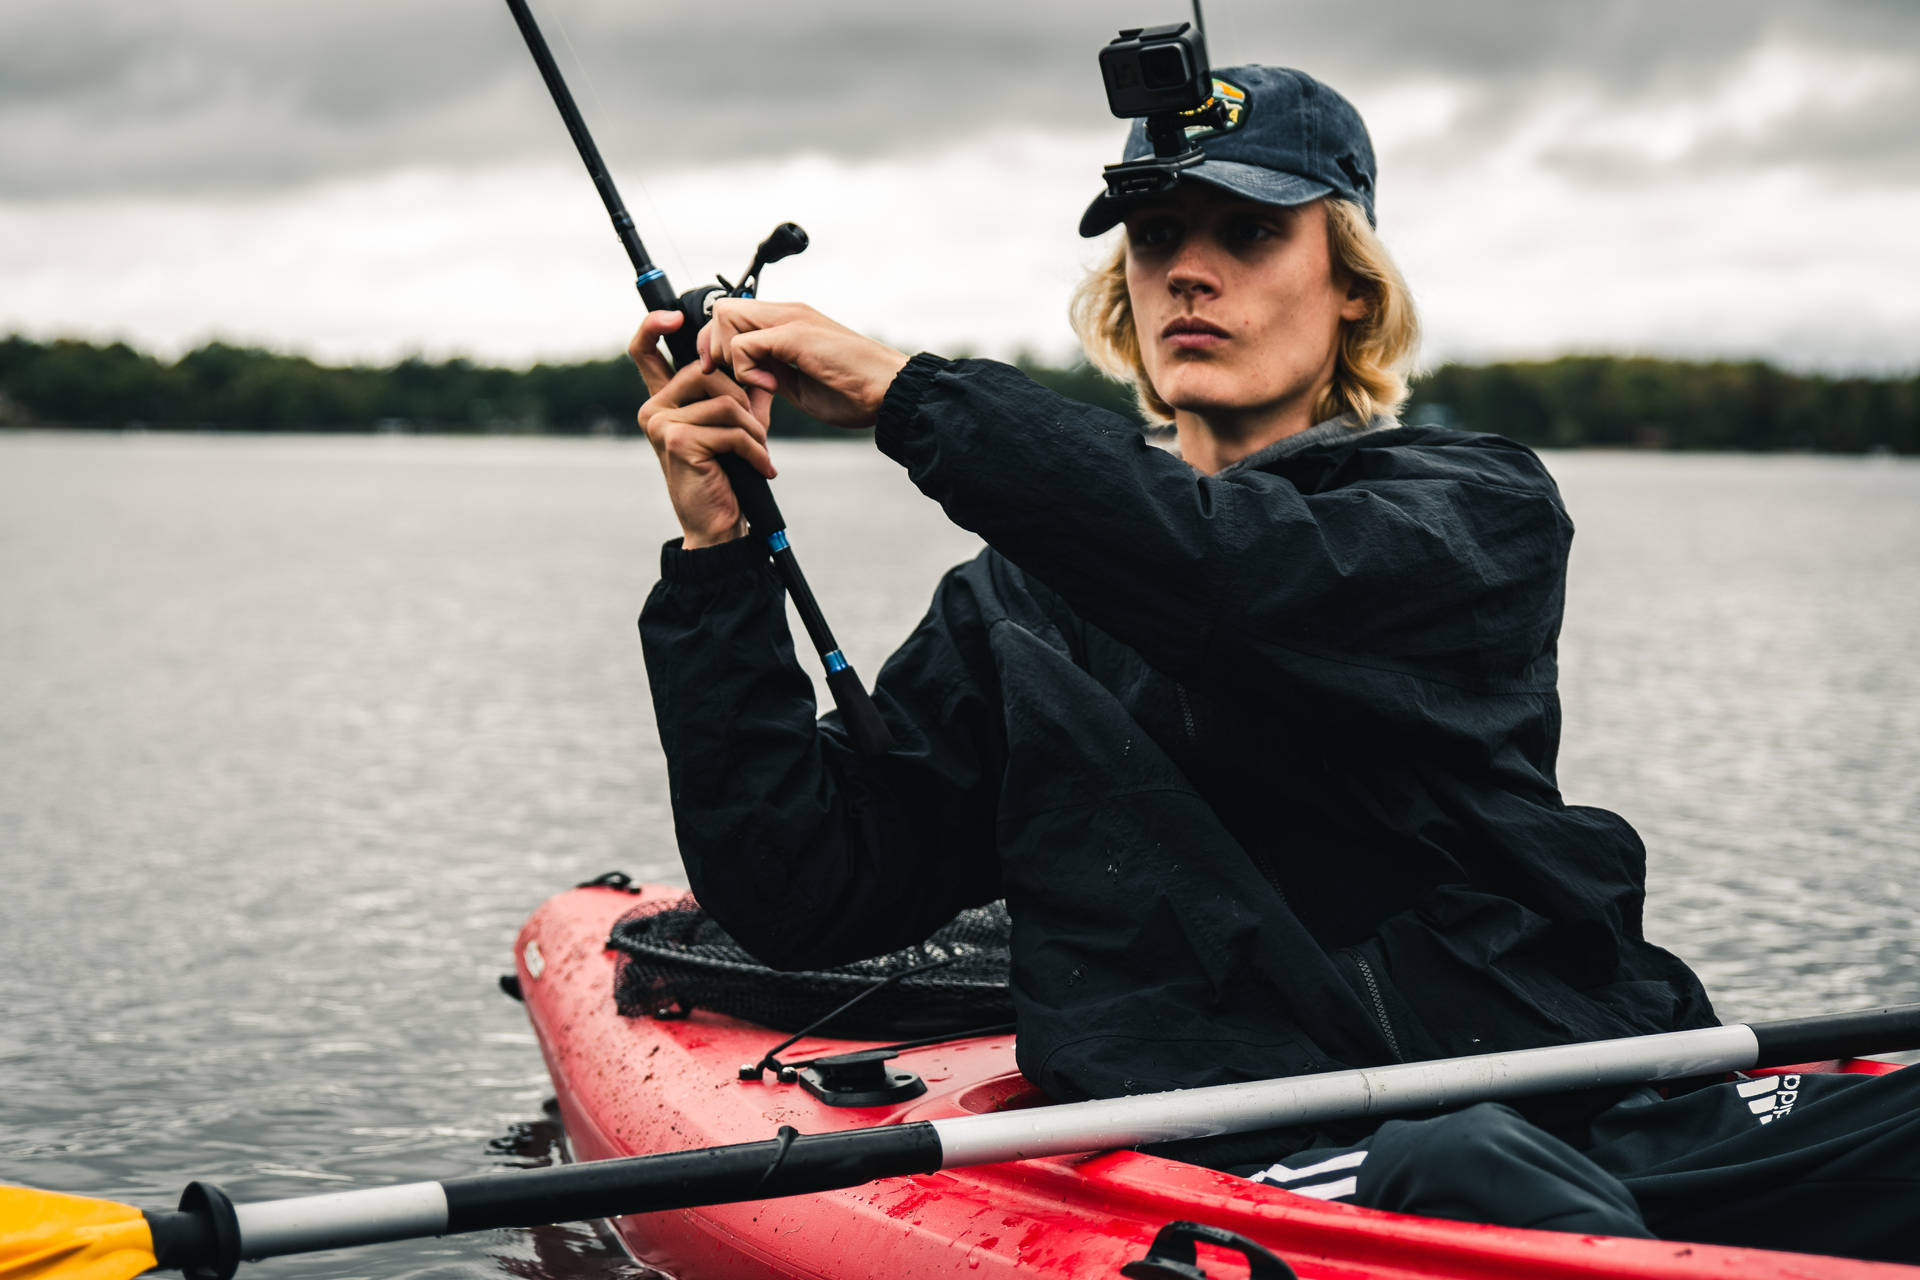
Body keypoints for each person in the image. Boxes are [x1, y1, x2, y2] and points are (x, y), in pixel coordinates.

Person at [627, 65, 1920, 1263]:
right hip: (1283, 1154)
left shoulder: (1477, 506)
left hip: (1594, 1081)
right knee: (1465, 1168)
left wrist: (915, 394)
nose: (1190, 274)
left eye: (1247, 236)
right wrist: (719, 559)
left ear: (1350, 282)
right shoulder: (1013, 603)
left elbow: (1228, 579)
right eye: (1155, 242)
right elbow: (805, 887)